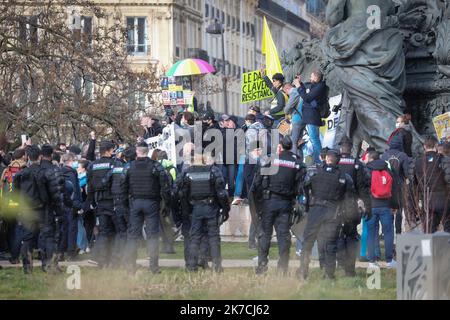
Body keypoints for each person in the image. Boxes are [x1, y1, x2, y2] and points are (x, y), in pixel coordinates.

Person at [252, 136, 306, 275]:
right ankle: (283, 269)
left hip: (269, 202)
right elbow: (300, 185)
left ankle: (262, 268)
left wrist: (258, 204)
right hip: (286, 203)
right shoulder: (297, 163)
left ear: (280, 147)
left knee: (265, 235)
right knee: (283, 236)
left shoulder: (271, 160)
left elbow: (257, 183)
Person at [298, 149, 351, 280]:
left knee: (308, 242)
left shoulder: (315, 172)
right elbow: (348, 197)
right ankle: (329, 275)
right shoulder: (344, 177)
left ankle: (303, 272)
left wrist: (306, 206)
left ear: (326, 159)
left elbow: (303, 187)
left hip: (316, 210)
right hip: (333, 213)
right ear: (338, 161)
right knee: (331, 244)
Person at [122, 142, 171, 274]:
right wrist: (166, 204)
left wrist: (125, 205)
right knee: (152, 236)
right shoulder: (156, 166)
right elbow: (165, 187)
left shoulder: (129, 167)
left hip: (136, 203)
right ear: (147, 151)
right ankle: (154, 267)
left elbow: (122, 187)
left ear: (137, 151)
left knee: (132, 235)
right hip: (151, 203)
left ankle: (130, 266)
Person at [178, 152, 230, 273]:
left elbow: (183, 193)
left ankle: (191, 266)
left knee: (194, 237)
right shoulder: (213, 171)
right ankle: (217, 266)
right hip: (211, 207)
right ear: (204, 160)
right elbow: (221, 193)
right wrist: (225, 209)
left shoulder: (188, 172)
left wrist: (186, 211)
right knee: (214, 237)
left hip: (196, 208)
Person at [336, 137, 370, 277]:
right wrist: (366, 204)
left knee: (338, 234)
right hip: (352, 204)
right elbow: (363, 186)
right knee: (351, 235)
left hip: (337, 204)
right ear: (351, 148)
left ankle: (340, 262)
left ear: (341, 148)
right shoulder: (358, 164)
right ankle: (350, 267)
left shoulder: (335, 162)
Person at [86, 141, 117, 268]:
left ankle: (101, 261)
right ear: (109, 151)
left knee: (103, 232)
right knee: (116, 231)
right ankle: (114, 260)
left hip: (100, 203)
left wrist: (92, 202)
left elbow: (90, 186)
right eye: (113, 150)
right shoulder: (114, 164)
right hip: (113, 201)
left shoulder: (92, 165)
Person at [409, 136, 450, 233]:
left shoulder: (416, 162)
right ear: (436, 145)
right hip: (444, 201)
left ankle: (430, 248)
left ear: (424, 146)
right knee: (448, 229)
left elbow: (412, 185)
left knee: (429, 232)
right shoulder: (444, 159)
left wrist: (414, 205)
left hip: (427, 202)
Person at [364, 151, 398, 269]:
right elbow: (394, 188)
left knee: (371, 233)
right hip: (386, 205)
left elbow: (363, 187)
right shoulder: (387, 169)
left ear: (371, 158)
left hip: (371, 206)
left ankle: (372, 262)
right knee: (388, 232)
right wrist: (394, 205)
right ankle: (389, 261)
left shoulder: (367, 170)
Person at [291, 71, 326, 164]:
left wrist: (298, 86)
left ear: (315, 77)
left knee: (314, 139)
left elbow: (307, 98)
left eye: (311, 76)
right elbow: (307, 92)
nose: (310, 79)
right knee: (311, 139)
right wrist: (300, 83)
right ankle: (316, 161)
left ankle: (319, 162)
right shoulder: (315, 86)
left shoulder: (320, 87)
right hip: (307, 116)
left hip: (312, 116)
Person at [0, 148, 27, 264]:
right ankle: (15, 256)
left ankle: (11, 252)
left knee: (10, 229)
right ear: (22, 156)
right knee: (18, 229)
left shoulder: (6, 170)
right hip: (20, 204)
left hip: (6, 204)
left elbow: (1, 186)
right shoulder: (25, 169)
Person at [381, 135, 410, 234]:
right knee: (399, 210)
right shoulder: (403, 156)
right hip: (399, 187)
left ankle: (387, 232)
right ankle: (398, 232)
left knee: (388, 209)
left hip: (387, 186)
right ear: (400, 145)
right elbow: (407, 173)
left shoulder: (384, 155)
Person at [58, 153, 83, 261]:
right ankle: (71, 253)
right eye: (74, 161)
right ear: (70, 161)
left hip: (61, 205)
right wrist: (78, 205)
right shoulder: (71, 173)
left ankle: (60, 253)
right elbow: (75, 191)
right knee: (72, 229)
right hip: (71, 205)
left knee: (63, 229)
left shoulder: (59, 172)